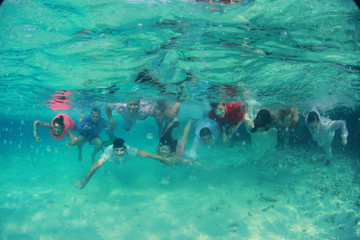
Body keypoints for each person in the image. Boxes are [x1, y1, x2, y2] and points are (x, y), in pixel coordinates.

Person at [74, 138, 169, 189]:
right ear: (113, 149)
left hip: (121, 154)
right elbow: (95, 167)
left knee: (114, 140)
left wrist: (163, 159)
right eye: (117, 150)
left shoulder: (130, 150)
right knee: (102, 161)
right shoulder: (108, 153)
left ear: (125, 149)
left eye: (121, 150)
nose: (119, 153)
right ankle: (110, 138)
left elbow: (148, 154)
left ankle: (112, 135)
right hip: (108, 151)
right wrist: (85, 181)